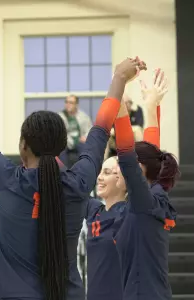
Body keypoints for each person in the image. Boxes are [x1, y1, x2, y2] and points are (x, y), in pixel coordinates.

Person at [0, 16, 145, 300]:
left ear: (23, 147)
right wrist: (119, 78)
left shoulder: (5, 178)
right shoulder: (80, 181)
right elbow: (99, 128)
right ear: (61, 147)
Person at [84, 69, 168, 300]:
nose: (101, 176)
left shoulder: (134, 211)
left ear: (124, 181)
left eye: (109, 172)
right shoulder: (93, 210)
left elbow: (148, 163)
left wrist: (150, 109)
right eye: (102, 171)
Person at [113, 70, 179, 300]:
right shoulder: (153, 193)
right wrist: (152, 106)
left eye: (118, 169)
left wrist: (118, 90)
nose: (116, 172)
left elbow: (129, 155)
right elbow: (151, 155)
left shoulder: (145, 200)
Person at [58, 95, 93, 167]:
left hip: (79, 141)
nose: (68, 105)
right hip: (65, 142)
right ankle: (64, 173)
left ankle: (84, 170)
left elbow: (89, 130)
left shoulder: (83, 117)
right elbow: (58, 132)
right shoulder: (60, 116)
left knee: (85, 148)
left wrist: (86, 137)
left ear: (76, 105)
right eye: (66, 102)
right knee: (60, 148)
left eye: (71, 102)